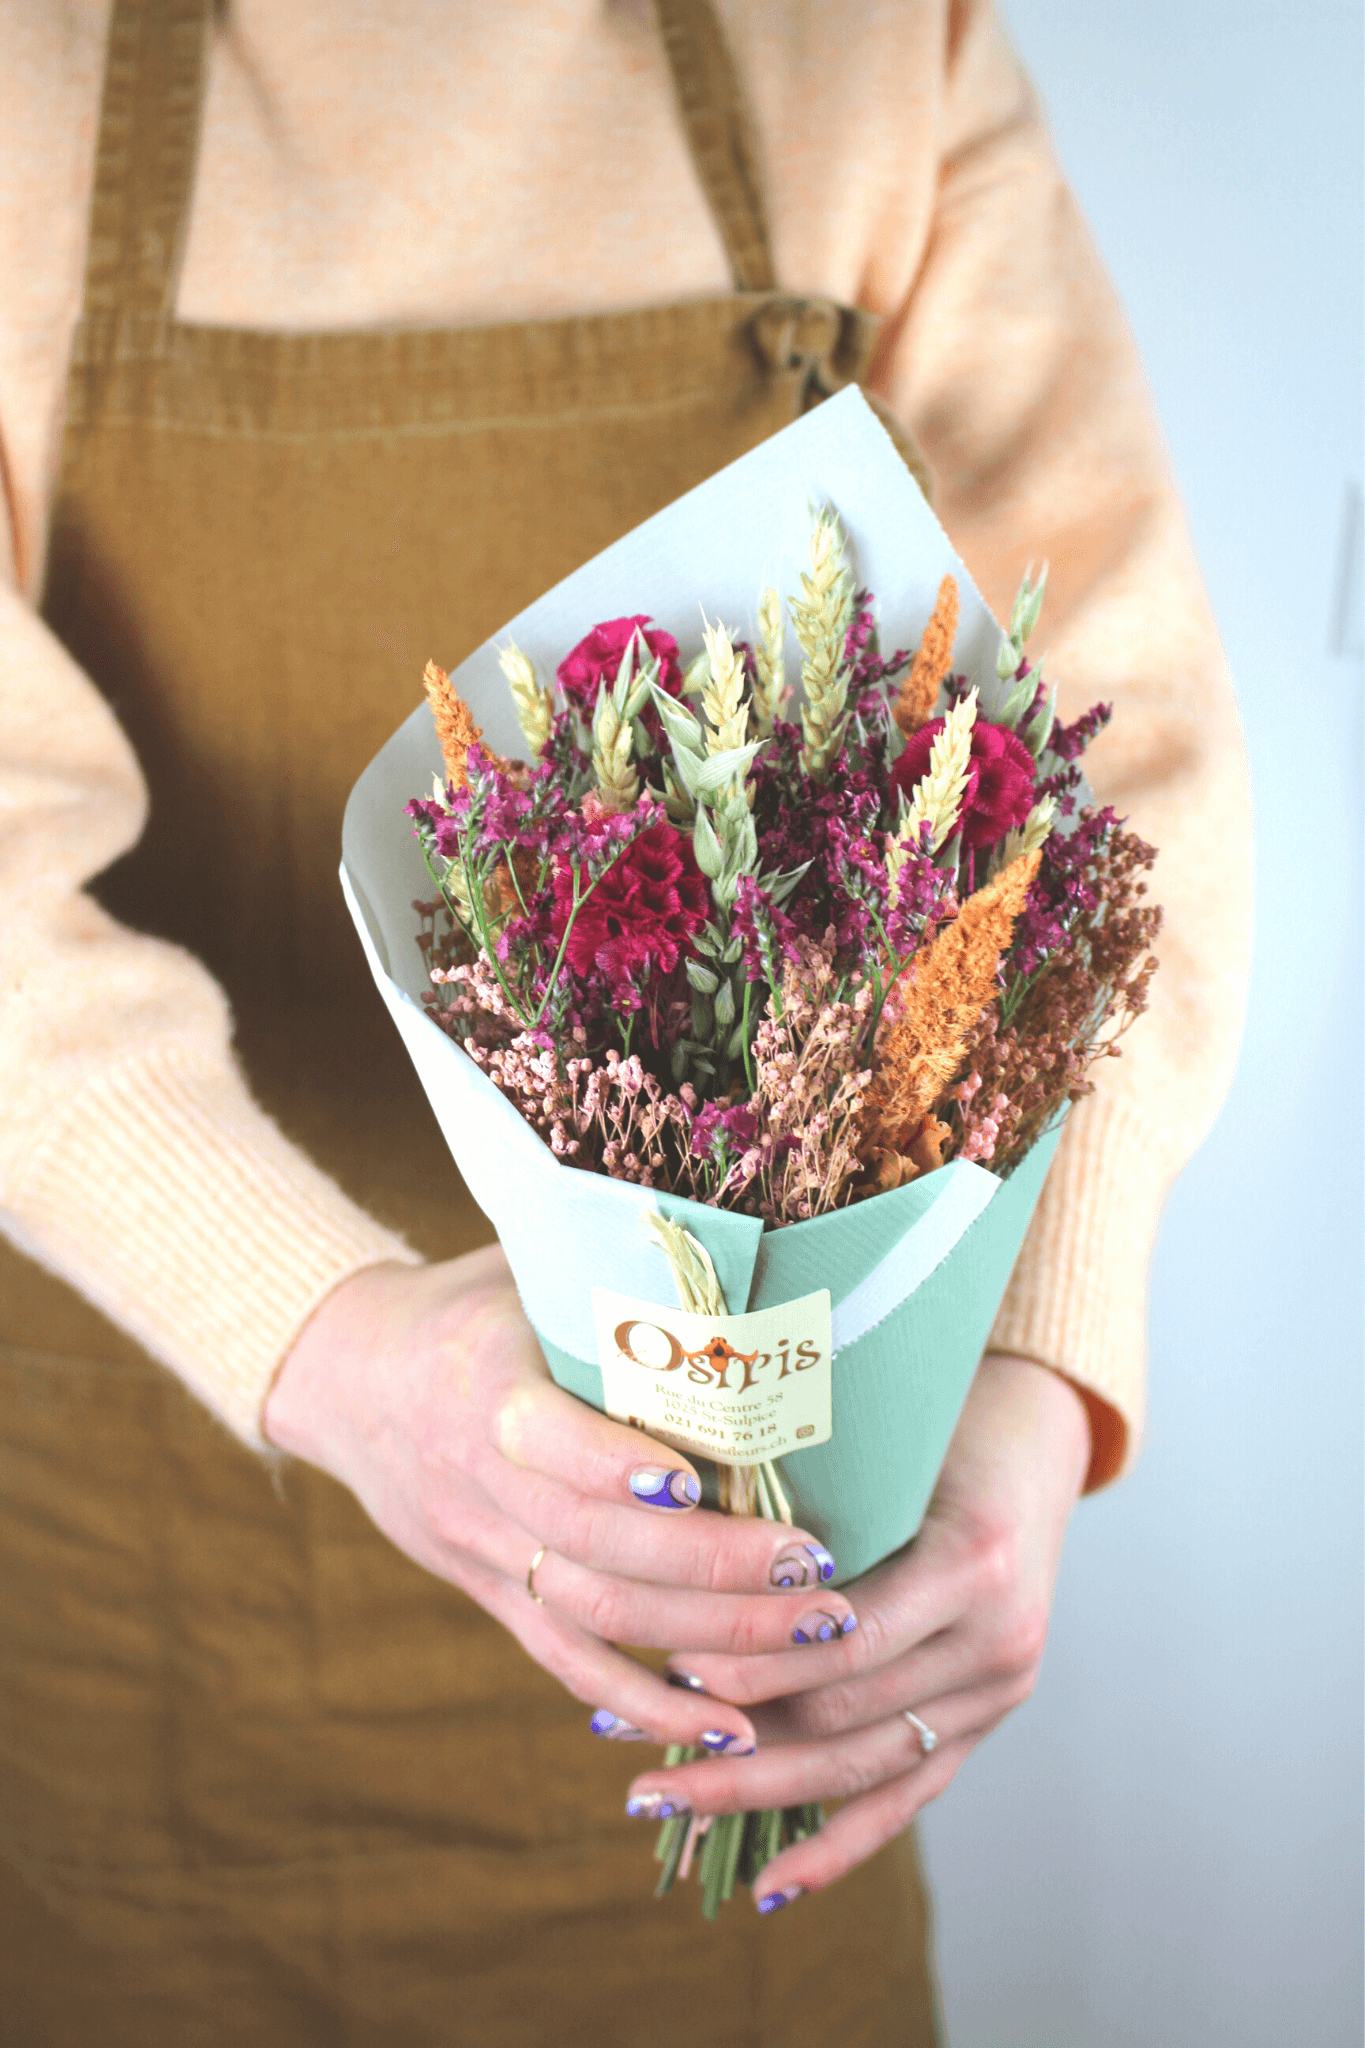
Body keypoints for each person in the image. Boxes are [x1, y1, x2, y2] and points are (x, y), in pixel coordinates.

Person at [0, 1, 1251, 2041]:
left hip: (767, 1680)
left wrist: (1030, 1365)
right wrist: (328, 1331)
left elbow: (1121, 767)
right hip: (155, 1657)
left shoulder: (866, 52)